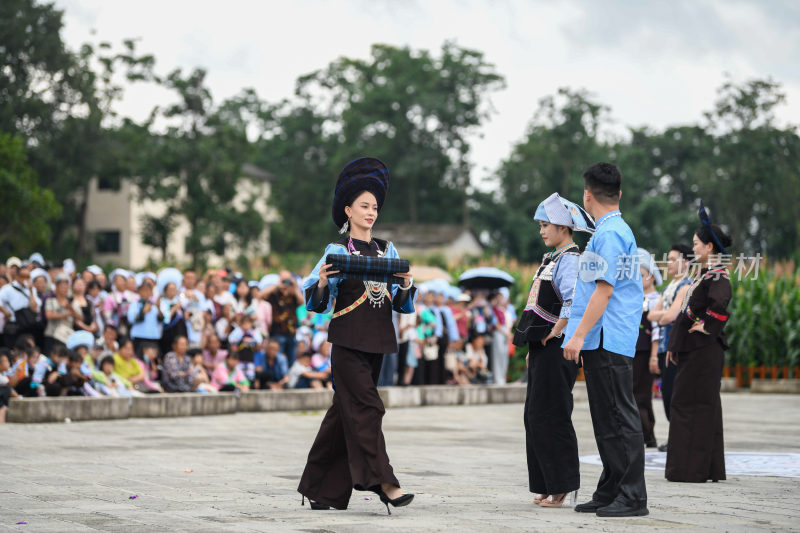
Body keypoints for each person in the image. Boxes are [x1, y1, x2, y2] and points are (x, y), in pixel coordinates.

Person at [297, 157, 417, 514]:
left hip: (378, 340)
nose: (371, 212)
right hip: (347, 342)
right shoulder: (337, 251)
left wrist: (407, 286)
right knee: (368, 408)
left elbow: (401, 304)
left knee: (343, 414)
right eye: (364, 206)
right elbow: (316, 302)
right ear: (348, 211)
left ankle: (321, 490)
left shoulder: (387, 250)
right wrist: (321, 282)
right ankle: (385, 483)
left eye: (375, 207)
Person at [562, 162, 649, 517]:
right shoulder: (607, 231)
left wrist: (578, 335)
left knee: (619, 416)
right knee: (606, 417)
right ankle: (612, 487)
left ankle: (633, 495)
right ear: (619, 194)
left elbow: (605, 290)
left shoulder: (610, 234)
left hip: (607, 336)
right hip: (602, 338)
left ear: (587, 195)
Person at [514, 192, 593, 508]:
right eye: (541, 225)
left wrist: (555, 333)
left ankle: (562, 487)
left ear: (563, 227)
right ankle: (546, 483)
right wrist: (536, 344)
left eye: (546, 225)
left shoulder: (571, 259)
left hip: (558, 348)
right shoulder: (553, 258)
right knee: (535, 415)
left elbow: (574, 301)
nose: (542, 231)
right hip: (543, 348)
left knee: (554, 415)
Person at [665, 203, 732, 483]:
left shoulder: (717, 275)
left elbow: (721, 302)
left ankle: (690, 470)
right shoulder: (703, 274)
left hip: (704, 351)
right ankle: (707, 468)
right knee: (703, 406)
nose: (693, 249)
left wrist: (706, 325)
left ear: (709, 248)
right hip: (696, 352)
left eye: (696, 244)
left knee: (690, 406)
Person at [647, 243, 693, 451]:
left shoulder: (686, 286)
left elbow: (671, 316)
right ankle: (676, 437)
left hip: (677, 348)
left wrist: (663, 316)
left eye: (674, 259)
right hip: (665, 347)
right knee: (667, 393)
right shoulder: (667, 289)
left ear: (686, 262)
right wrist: (663, 316)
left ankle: (681, 439)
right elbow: (652, 315)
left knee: (676, 394)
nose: (669, 263)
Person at [633, 248, 662, 449]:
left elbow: (657, 331)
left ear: (651, 277)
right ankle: (642, 434)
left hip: (644, 353)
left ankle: (648, 435)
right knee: (633, 394)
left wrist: (653, 356)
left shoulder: (656, 300)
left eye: (641, 275)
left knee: (641, 395)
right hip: (632, 351)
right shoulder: (634, 299)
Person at [261, 270, 304, 367]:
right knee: (277, 360)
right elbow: (261, 295)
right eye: (284, 279)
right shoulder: (274, 292)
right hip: (277, 332)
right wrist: (277, 285)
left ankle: (289, 380)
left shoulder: (293, 293)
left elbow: (302, 302)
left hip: (292, 333)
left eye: (287, 279)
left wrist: (294, 287)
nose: (286, 282)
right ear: (279, 279)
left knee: (291, 361)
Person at [43, 274, 78, 355]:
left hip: (67, 336)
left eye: (66, 287)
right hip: (52, 335)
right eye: (62, 287)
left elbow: (80, 318)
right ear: (57, 287)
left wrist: (71, 309)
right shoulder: (50, 300)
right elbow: (49, 315)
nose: (64, 289)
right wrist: (67, 314)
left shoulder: (72, 302)